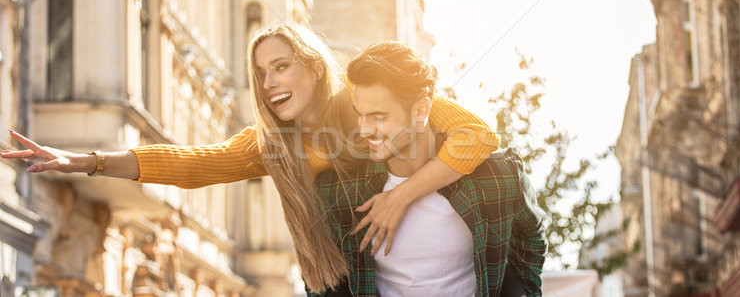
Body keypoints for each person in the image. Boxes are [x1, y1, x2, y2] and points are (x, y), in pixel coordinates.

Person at [0, 22, 499, 292]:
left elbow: (477, 134)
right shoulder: (272, 147)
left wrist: (401, 197)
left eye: (281, 66)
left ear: (313, 68)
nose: (270, 82)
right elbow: (191, 163)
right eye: (261, 73)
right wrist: (88, 160)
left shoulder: (362, 98)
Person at [310, 42, 546, 297]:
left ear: (421, 110)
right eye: (360, 115)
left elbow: (531, 240)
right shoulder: (338, 190)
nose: (365, 129)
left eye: (378, 117)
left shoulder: (496, 178)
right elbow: (320, 276)